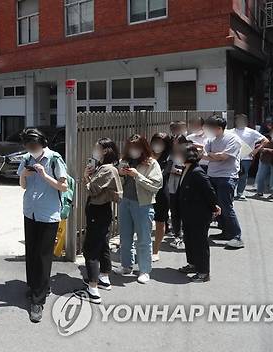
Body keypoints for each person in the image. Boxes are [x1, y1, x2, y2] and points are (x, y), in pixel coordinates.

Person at [17, 128, 68, 323]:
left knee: (43, 255)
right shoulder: (26, 158)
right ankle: (34, 286)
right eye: (28, 146)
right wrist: (25, 176)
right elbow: (22, 185)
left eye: (34, 145)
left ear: (42, 143)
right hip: (30, 211)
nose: (31, 149)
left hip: (48, 214)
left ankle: (38, 300)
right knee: (31, 251)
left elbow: (63, 186)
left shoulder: (54, 158)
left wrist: (44, 175)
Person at [76, 138, 122, 304]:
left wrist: (86, 177)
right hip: (102, 211)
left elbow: (93, 190)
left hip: (98, 210)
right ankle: (104, 277)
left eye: (97, 148)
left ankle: (93, 288)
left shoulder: (107, 169)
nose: (94, 150)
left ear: (105, 151)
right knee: (102, 244)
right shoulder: (105, 168)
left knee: (91, 248)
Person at [115, 134, 163, 284]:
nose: (133, 150)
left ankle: (144, 270)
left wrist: (138, 176)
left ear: (143, 148)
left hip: (143, 204)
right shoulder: (124, 161)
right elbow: (117, 183)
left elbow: (156, 185)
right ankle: (126, 265)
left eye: (136, 147)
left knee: (144, 238)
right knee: (125, 236)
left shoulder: (151, 163)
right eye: (131, 147)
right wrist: (121, 175)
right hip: (125, 202)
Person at [176, 144, 221, 282]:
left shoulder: (197, 172)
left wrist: (214, 207)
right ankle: (193, 264)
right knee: (189, 239)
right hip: (188, 212)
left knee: (200, 242)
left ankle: (203, 272)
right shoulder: (186, 169)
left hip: (199, 214)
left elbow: (210, 191)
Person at [203, 115, 244, 249]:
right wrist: (213, 156)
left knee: (226, 207)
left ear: (219, 128)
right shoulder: (211, 139)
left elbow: (223, 157)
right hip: (212, 175)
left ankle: (237, 237)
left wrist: (212, 155)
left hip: (227, 177)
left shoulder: (233, 139)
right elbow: (205, 154)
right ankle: (225, 232)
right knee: (215, 207)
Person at [230, 113, 268, 200]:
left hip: (246, 158)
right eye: (238, 120)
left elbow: (265, 140)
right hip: (232, 157)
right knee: (232, 175)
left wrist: (256, 150)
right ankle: (232, 192)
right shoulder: (230, 131)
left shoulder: (251, 132)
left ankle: (240, 192)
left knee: (243, 176)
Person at [150, 133, 172, 262]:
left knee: (160, 221)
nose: (157, 145)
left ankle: (156, 250)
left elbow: (162, 175)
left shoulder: (169, 157)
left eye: (161, 143)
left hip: (161, 193)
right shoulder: (145, 155)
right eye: (155, 141)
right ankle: (144, 247)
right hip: (145, 193)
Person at [166, 135, 189, 250]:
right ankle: (177, 235)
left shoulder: (188, 153)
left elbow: (190, 169)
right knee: (174, 211)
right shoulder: (170, 154)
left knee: (184, 211)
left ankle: (185, 235)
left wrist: (177, 171)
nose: (174, 144)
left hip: (184, 186)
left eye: (177, 142)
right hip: (172, 185)